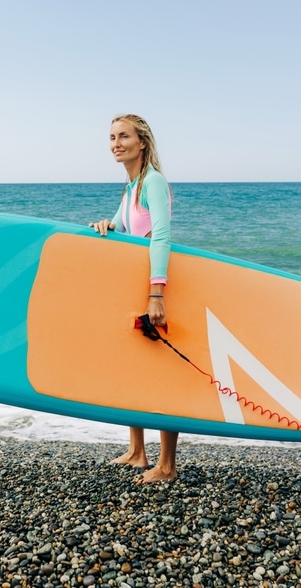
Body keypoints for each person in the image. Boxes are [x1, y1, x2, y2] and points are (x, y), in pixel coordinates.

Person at [89, 114, 178, 484]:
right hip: (135, 285)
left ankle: (168, 465)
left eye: (123, 136)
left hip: (155, 288)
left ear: (142, 142)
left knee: (161, 374)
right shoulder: (131, 187)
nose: (115, 143)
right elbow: (123, 226)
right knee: (135, 368)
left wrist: (156, 292)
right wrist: (106, 225)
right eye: (111, 137)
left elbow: (161, 237)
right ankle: (138, 451)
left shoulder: (153, 182)